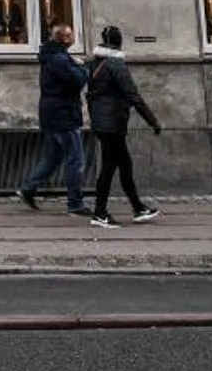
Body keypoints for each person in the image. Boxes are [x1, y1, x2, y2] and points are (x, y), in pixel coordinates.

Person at [84, 24, 162, 227]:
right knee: (110, 167)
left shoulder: (94, 64)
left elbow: (91, 94)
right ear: (118, 42)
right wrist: (152, 120)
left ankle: (138, 207)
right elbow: (132, 94)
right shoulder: (116, 64)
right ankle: (100, 213)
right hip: (112, 123)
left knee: (123, 164)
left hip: (102, 122)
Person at [14, 22, 94, 218]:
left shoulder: (53, 56)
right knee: (75, 159)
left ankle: (28, 188)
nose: (74, 38)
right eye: (71, 35)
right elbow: (77, 81)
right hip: (63, 114)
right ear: (64, 38)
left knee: (53, 156)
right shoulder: (59, 59)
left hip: (50, 113)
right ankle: (75, 204)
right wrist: (84, 68)